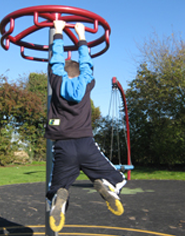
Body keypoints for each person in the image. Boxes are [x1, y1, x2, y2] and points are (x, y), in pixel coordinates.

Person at [44, 20, 127, 233]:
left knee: (57, 188)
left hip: (62, 145)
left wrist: (58, 32)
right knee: (118, 180)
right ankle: (108, 187)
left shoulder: (56, 81)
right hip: (86, 143)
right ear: (83, 76)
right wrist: (81, 36)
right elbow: (87, 64)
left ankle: (59, 201)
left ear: (60, 73)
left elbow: (56, 60)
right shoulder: (87, 83)